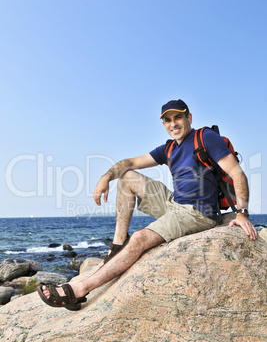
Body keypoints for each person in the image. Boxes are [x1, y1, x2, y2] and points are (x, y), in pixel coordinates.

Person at [37, 99, 257, 310]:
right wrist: (105, 177)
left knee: (141, 237)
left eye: (178, 117)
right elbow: (130, 163)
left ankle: (78, 289)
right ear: (163, 124)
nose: (173, 124)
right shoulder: (169, 148)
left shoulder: (205, 137)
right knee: (127, 177)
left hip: (198, 213)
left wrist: (242, 214)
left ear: (189, 117)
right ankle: (117, 246)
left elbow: (237, 173)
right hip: (175, 204)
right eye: (168, 120)